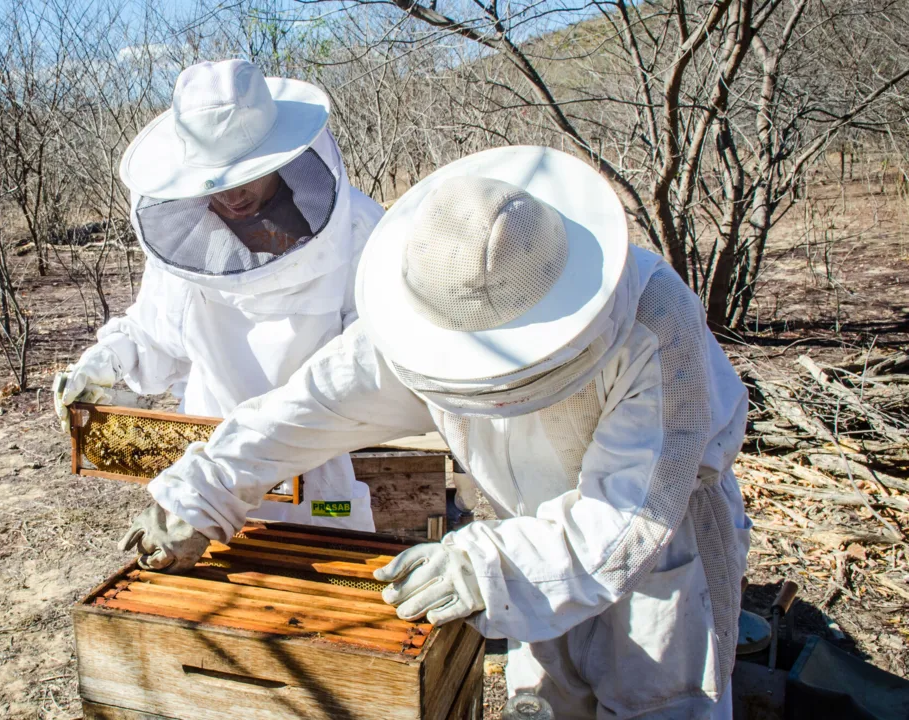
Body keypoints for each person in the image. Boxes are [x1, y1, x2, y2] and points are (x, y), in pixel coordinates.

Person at [118, 145, 751, 719]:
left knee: (659, 705)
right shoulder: (422, 301)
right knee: (549, 705)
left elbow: (630, 514)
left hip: (663, 545)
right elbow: (310, 406)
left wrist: (489, 567)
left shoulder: (655, 317)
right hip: (522, 522)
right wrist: (203, 489)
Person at [53, 59, 383, 537]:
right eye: (214, 180)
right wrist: (106, 362)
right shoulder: (191, 243)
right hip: (201, 473)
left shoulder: (357, 234)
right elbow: (156, 332)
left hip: (316, 482)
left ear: (282, 156)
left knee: (331, 586)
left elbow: (365, 375)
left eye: (245, 173)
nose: (231, 196)